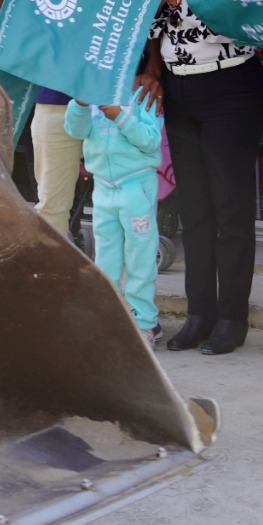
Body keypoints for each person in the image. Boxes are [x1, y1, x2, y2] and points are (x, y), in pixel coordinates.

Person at [155, 0, 263, 357]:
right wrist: (157, 0)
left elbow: (239, 24)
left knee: (231, 211)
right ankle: (198, 313)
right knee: (195, 211)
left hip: (231, 91)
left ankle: (232, 317)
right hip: (180, 91)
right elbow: (152, 26)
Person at [27, 0, 161, 239]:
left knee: (124, 203)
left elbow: (154, 16)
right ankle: (59, 276)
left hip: (117, 95)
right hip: (56, 90)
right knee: (51, 204)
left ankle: (121, 280)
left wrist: (154, 69)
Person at [66, 87, 166, 338]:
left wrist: (120, 117)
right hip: (103, 186)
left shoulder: (143, 94)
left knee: (140, 256)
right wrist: (80, 104)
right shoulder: (91, 89)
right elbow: (75, 131)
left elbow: (151, 141)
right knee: (105, 257)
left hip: (136, 186)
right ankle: (107, 317)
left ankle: (145, 322)